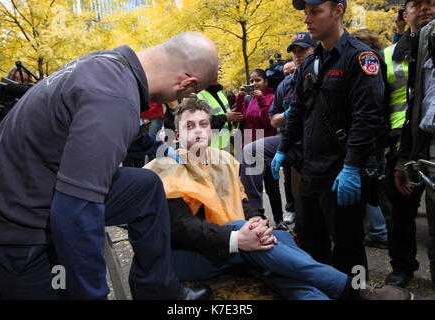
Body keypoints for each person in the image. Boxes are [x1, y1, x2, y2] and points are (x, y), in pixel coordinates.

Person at [0, 31, 218, 300]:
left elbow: (85, 134)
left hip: (34, 185)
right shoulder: (114, 97)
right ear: (186, 84)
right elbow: (75, 211)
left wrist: (162, 148)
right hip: (14, 229)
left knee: (145, 187)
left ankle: (159, 291)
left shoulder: (107, 64)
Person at [144, 97, 414, 300]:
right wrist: (241, 238)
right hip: (183, 257)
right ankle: (355, 290)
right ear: (177, 133)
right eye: (189, 126)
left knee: (279, 241)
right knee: (256, 241)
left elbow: (244, 203)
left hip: (230, 246)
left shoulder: (223, 159)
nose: (199, 131)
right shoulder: (165, 167)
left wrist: (257, 224)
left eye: (203, 124)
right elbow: (184, 230)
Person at [272, 0, 385, 277]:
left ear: (338, 11)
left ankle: (357, 294)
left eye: (315, 11)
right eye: (306, 13)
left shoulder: (361, 58)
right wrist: (283, 148)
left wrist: (351, 167)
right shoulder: (311, 62)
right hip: (311, 170)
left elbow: (366, 116)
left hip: (341, 172)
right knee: (310, 245)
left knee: (348, 248)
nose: (308, 20)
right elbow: (298, 109)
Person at [382, 0, 435, 288]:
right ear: (405, 13)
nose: (425, 8)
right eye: (417, 3)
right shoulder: (389, 55)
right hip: (400, 142)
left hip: (432, 138)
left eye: (431, 3)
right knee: (400, 214)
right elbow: (380, 100)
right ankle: (402, 267)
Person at [240, 32, 317, 227]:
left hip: (318, 142)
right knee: (252, 153)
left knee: (289, 189)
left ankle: (285, 218)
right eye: (295, 52)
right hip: (280, 141)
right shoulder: (285, 86)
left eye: (304, 50)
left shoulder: (323, 76)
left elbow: (267, 121)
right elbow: (271, 120)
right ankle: (255, 214)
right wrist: (286, 115)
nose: (298, 55)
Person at [351, 29, 389, 250]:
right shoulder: (379, 64)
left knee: (369, 189)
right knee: (373, 187)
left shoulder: (368, 64)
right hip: (377, 137)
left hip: (370, 139)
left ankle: (378, 232)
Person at [234, 69, 281, 224]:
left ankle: (279, 220)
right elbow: (240, 117)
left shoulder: (273, 97)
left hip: (265, 143)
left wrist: (261, 100)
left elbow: (268, 121)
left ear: (266, 82)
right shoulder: (249, 100)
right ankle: (258, 218)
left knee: (272, 186)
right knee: (252, 188)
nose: (254, 84)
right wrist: (240, 97)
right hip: (248, 144)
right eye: (252, 81)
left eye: (258, 80)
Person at [196, 75, 243, 150]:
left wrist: (233, 117)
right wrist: (225, 117)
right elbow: (200, 122)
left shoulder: (219, 92)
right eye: (212, 73)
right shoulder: (195, 96)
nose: (216, 76)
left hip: (226, 144)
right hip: (210, 148)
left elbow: (225, 113)